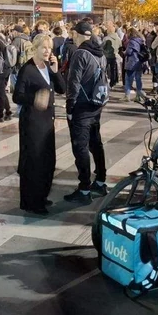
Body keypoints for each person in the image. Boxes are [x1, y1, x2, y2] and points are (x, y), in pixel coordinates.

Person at [12, 34, 66, 215]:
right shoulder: (28, 69)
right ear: (35, 48)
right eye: (43, 47)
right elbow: (17, 95)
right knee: (34, 161)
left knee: (47, 160)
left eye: (49, 48)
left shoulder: (47, 67)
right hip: (32, 123)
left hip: (47, 121)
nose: (47, 51)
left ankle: (42, 195)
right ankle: (32, 201)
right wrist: (34, 98)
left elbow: (62, 89)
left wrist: (56, 70)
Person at [63, 21, 109, 205]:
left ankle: (84, 190)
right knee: (95, 143)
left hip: (82, 107)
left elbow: (73, 82)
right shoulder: (100, 53)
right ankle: (101, 181)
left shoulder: (80, 53)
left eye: (73, 33)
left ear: (78, 34)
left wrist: (69, 107)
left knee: (80, 147)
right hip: (97, 104)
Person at [123, 28, 147, 102]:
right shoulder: (141, 40)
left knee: (128, 79)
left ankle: (127, 95)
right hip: (139, 61)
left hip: (132, 61)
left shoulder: (132, 41)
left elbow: (129, 52)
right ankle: (139, 94)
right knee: (138, 78)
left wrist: (124, 52)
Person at [103, 23, 122, 89]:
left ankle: (104, 82)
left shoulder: (106, 38)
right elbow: (120, 46)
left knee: (104, 70)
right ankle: (113, 83)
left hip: (107, 56)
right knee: (113, 70)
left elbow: (102, 47)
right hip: (115, 55)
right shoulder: (118, 38)